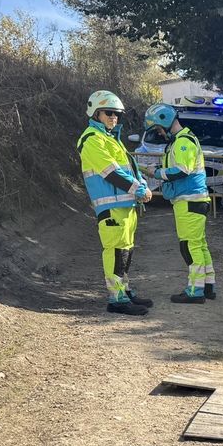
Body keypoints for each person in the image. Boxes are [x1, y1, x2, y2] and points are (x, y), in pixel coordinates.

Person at [77, 90, 153, 316]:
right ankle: (117, 299)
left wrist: (141, 184)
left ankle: (124, 292)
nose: (114, 117)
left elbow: (129, 169)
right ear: (96, 113)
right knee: (116, 251)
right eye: (109, 113)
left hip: (126, 205)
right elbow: (110, 172)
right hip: (111, 207)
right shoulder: (92, 139)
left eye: (117, 114)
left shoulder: (111, 138)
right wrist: (139, 189)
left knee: (126, 251)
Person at [142, 103, 216, 304]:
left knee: (189, 246)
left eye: (158, 128)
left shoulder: (183, 142)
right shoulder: (183, 140)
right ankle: (208, 286)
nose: (159, 133)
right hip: (194, 200)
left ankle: (195, 291)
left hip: (189, 200)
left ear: (165, 121)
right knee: (199, 245)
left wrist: (155, 173)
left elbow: (181, 170)